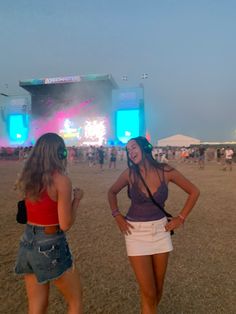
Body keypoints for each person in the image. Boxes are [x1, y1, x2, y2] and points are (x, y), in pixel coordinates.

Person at [108, 136, 200, 314]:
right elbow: (111, 192)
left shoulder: (166, 171)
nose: (130, 152)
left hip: (161, 231)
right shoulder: (129, 174)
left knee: (157, 291)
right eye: (128, 150)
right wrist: (117, 215)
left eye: (133, 147)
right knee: (148, 292)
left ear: (145, 147)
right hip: (135, 233)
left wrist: (180, 218)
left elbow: (194, 191)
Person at [14, 133, 84, 314]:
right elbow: (65, 224)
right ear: (60, 153)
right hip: (50, 243)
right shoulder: (61, 180)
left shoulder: (29, 178)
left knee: (36, 306)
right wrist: (76, 200)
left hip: (27, 242)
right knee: (75, 301)